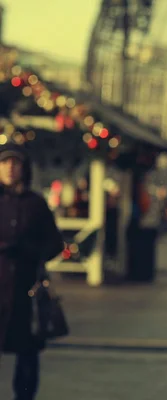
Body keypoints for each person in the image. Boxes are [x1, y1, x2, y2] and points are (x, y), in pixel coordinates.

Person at [0, 143, 64, 400]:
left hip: (26, 288)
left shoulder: (35, 204)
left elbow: (54, 243)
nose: (10, 168)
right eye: (5, 163)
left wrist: (30, 252)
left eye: (15, 163)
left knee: (27, 354)